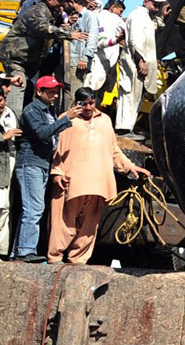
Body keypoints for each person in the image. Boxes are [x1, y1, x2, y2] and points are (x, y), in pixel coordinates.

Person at [48, 87, 150, 264]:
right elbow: (56, 149)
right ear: (76, 103)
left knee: (89, 224)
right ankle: (55, 258)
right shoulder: (66, 120)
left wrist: (130, 166)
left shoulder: (105, 120)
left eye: (91, 103)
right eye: (83, 104)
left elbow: (113, 150)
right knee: (63, 222)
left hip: (98, 181)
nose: (88, 107)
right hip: (72, 179)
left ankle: (78, 260)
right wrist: (57, 172)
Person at [10, 76, 83, 261]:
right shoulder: (32, 110)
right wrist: (66, 119)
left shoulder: (49, 111)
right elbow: (42, 133)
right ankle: (25, 251)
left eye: (56, 91)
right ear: (39, 92)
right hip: (30, 163)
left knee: (33, 208)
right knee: (33, 208)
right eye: (50, 91)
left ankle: (19, 251)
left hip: (41, 164)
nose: (55, 95)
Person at [0, 0, 87, 112]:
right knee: (18, 88)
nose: (62, 3)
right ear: (49, 0)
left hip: (27, 60)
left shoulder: (51, 13)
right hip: (15, 57)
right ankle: (12, 126)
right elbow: (44, 28)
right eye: (59, 0)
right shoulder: (38, 11)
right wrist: (69, 34)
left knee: (28, 91)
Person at [116, 0, 165, 139]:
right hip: (135, 62)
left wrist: (162, 16)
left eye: (158, 5)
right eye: (154, 4)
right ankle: (123, 129)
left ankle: (127, 127)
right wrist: (140, 60)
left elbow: (154, 27)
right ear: (146, 1)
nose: (156, 8)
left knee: (136, 95)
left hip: (140, 63)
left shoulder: (146, 18)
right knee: (129, 93)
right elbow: (134, 41)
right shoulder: (137, 15)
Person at [84, 0, 127, 97]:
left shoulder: (95, 15)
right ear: (112, 8)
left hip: (94, 59)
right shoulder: (115, 18)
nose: (121, 15)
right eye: (120, 11)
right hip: (103, 61)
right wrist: (118, 39)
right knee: (93, 92)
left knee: (89, 89)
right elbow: (129, 30)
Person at [64, 0, 98, 101]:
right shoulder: (71, 17)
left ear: (71, 2)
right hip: (66, 61)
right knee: (65, 95)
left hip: (78, 62)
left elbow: (92, 39)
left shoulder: (90, 16)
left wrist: (84, 58)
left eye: (64, 4)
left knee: (74, 94)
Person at [0, 89, 20, 256]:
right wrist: (3, 137)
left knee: (5, 208)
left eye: (1, 99)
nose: (1, 104)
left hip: (7, 169)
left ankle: (2, 251)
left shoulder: (9, 114)